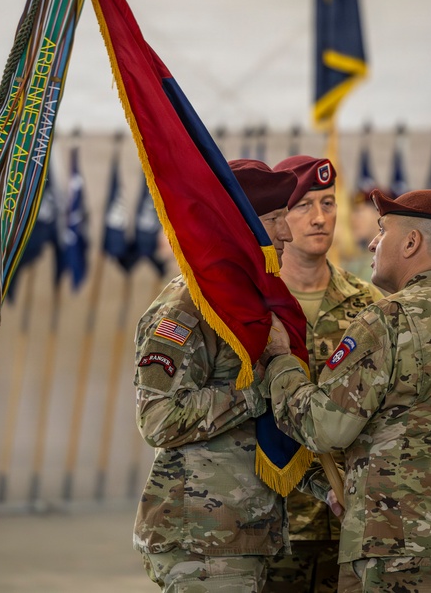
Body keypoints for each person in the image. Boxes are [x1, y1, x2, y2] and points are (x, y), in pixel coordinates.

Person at [258, 189, 431, 593]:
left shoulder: (386, 320)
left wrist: (280, 362)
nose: (371, 242)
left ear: (411, 242)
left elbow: (325, 427)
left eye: (382, 231)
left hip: (402, 551)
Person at [132, 158, 296, 591]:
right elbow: (159, 418)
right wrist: (259, 387)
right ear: (239, 225)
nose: (288, 233)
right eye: (276, 219)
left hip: (242, 531)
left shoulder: (248, 303)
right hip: (202, 539)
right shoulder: (189, 308)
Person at [265, 155, 381, 593]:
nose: (319, 218)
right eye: (303, 206)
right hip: (273, 517)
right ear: (278, 217)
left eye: (329, 203)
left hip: (349, 515)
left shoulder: (370, 304)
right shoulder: (253, 306)